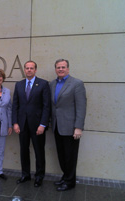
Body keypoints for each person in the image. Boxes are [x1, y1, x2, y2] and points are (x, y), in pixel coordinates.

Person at [12, 60, 51, 187]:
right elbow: (15, 105)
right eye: (27, 68)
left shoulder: (43, 84)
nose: (29, 70)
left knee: (39, 151)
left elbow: (47, 106)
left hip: (37, 125)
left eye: (31, 68)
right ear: (24, 69)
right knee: (24, 150)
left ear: (35, 70)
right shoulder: (19, 85)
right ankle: (25, 175)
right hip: (22, 124)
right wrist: (15, 123)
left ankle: (39, 176)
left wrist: (43, 124)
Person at [50, 59, 86, 191]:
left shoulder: (77, 84)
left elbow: (81, 107)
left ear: (68, 69)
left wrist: (78, 127)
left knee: (70, 156)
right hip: (57, 126)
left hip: (71, 128)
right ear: (55, 69)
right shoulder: (52, 84)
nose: (60, 69)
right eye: (58, 67)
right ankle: (65, 177)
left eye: (63, 67)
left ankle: (70, 182)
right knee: (61, 155)